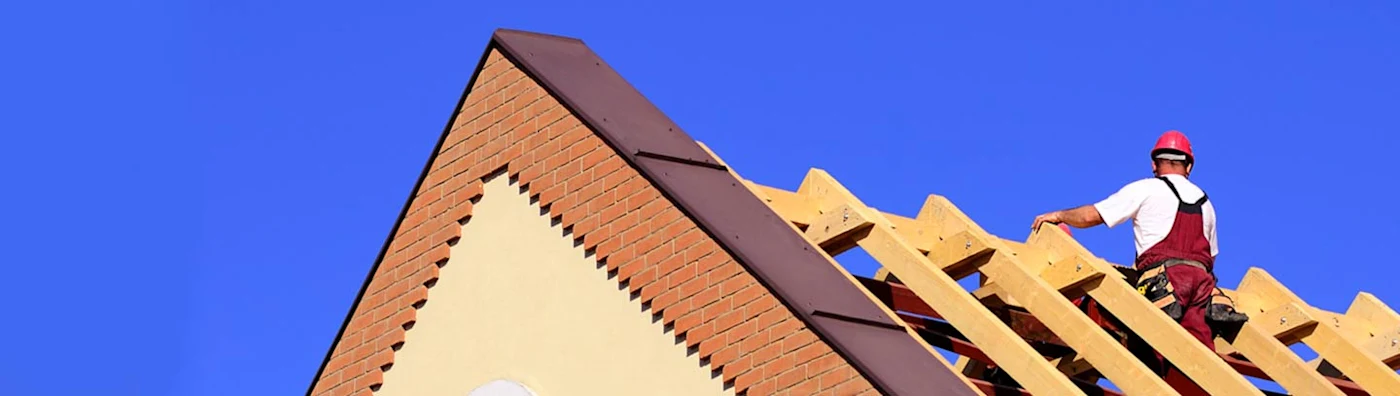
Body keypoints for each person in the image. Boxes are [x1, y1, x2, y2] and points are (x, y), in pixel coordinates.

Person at [1030, 130, 1246, 369]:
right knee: (1198, 364)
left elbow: (1093, 215)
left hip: (1165, 283)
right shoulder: (1207, 204)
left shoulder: (1147, 189)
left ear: (1154, 164)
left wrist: (1060, 215)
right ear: (1189, 166)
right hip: (1202, 287)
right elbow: (1211, 257)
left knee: (1151, 353)